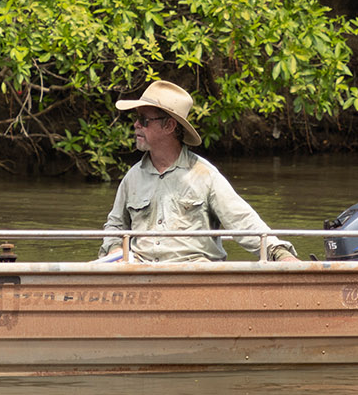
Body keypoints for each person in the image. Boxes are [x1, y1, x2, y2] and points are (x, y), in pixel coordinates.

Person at [98, 79, 296, 263]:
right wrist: (115, 249)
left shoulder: (205, 176)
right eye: (137, 118)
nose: (136, 125)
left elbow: (243, 221)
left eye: (144, 120)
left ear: (169, 125)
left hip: (194, 273)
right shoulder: (132, 177)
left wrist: (279, 254)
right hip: (141, 274)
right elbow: (115, 226)